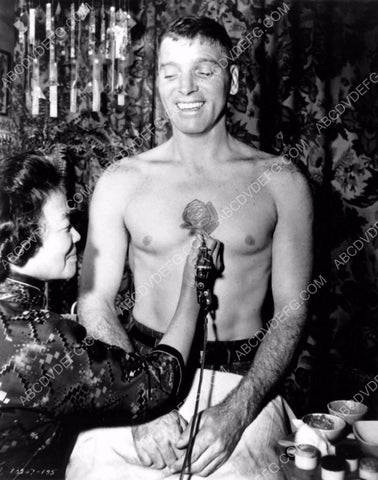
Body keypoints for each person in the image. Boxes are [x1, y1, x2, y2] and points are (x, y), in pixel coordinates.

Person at [78, 15, 313, 479]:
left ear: (234, 78)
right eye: (170, 73)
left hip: (244, 381)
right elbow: (94, 298)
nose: (185, 89)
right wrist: (139, 400)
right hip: (139, 368)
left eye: (204, 70)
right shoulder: (120, 181)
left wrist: (238, 411)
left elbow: (292, 311)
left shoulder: (281, 181)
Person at [0, 152, 221, 480]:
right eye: (65, 227)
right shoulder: (43, 337)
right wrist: (192, 289)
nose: (76, 236)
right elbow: (158, 383)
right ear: (26, 238)